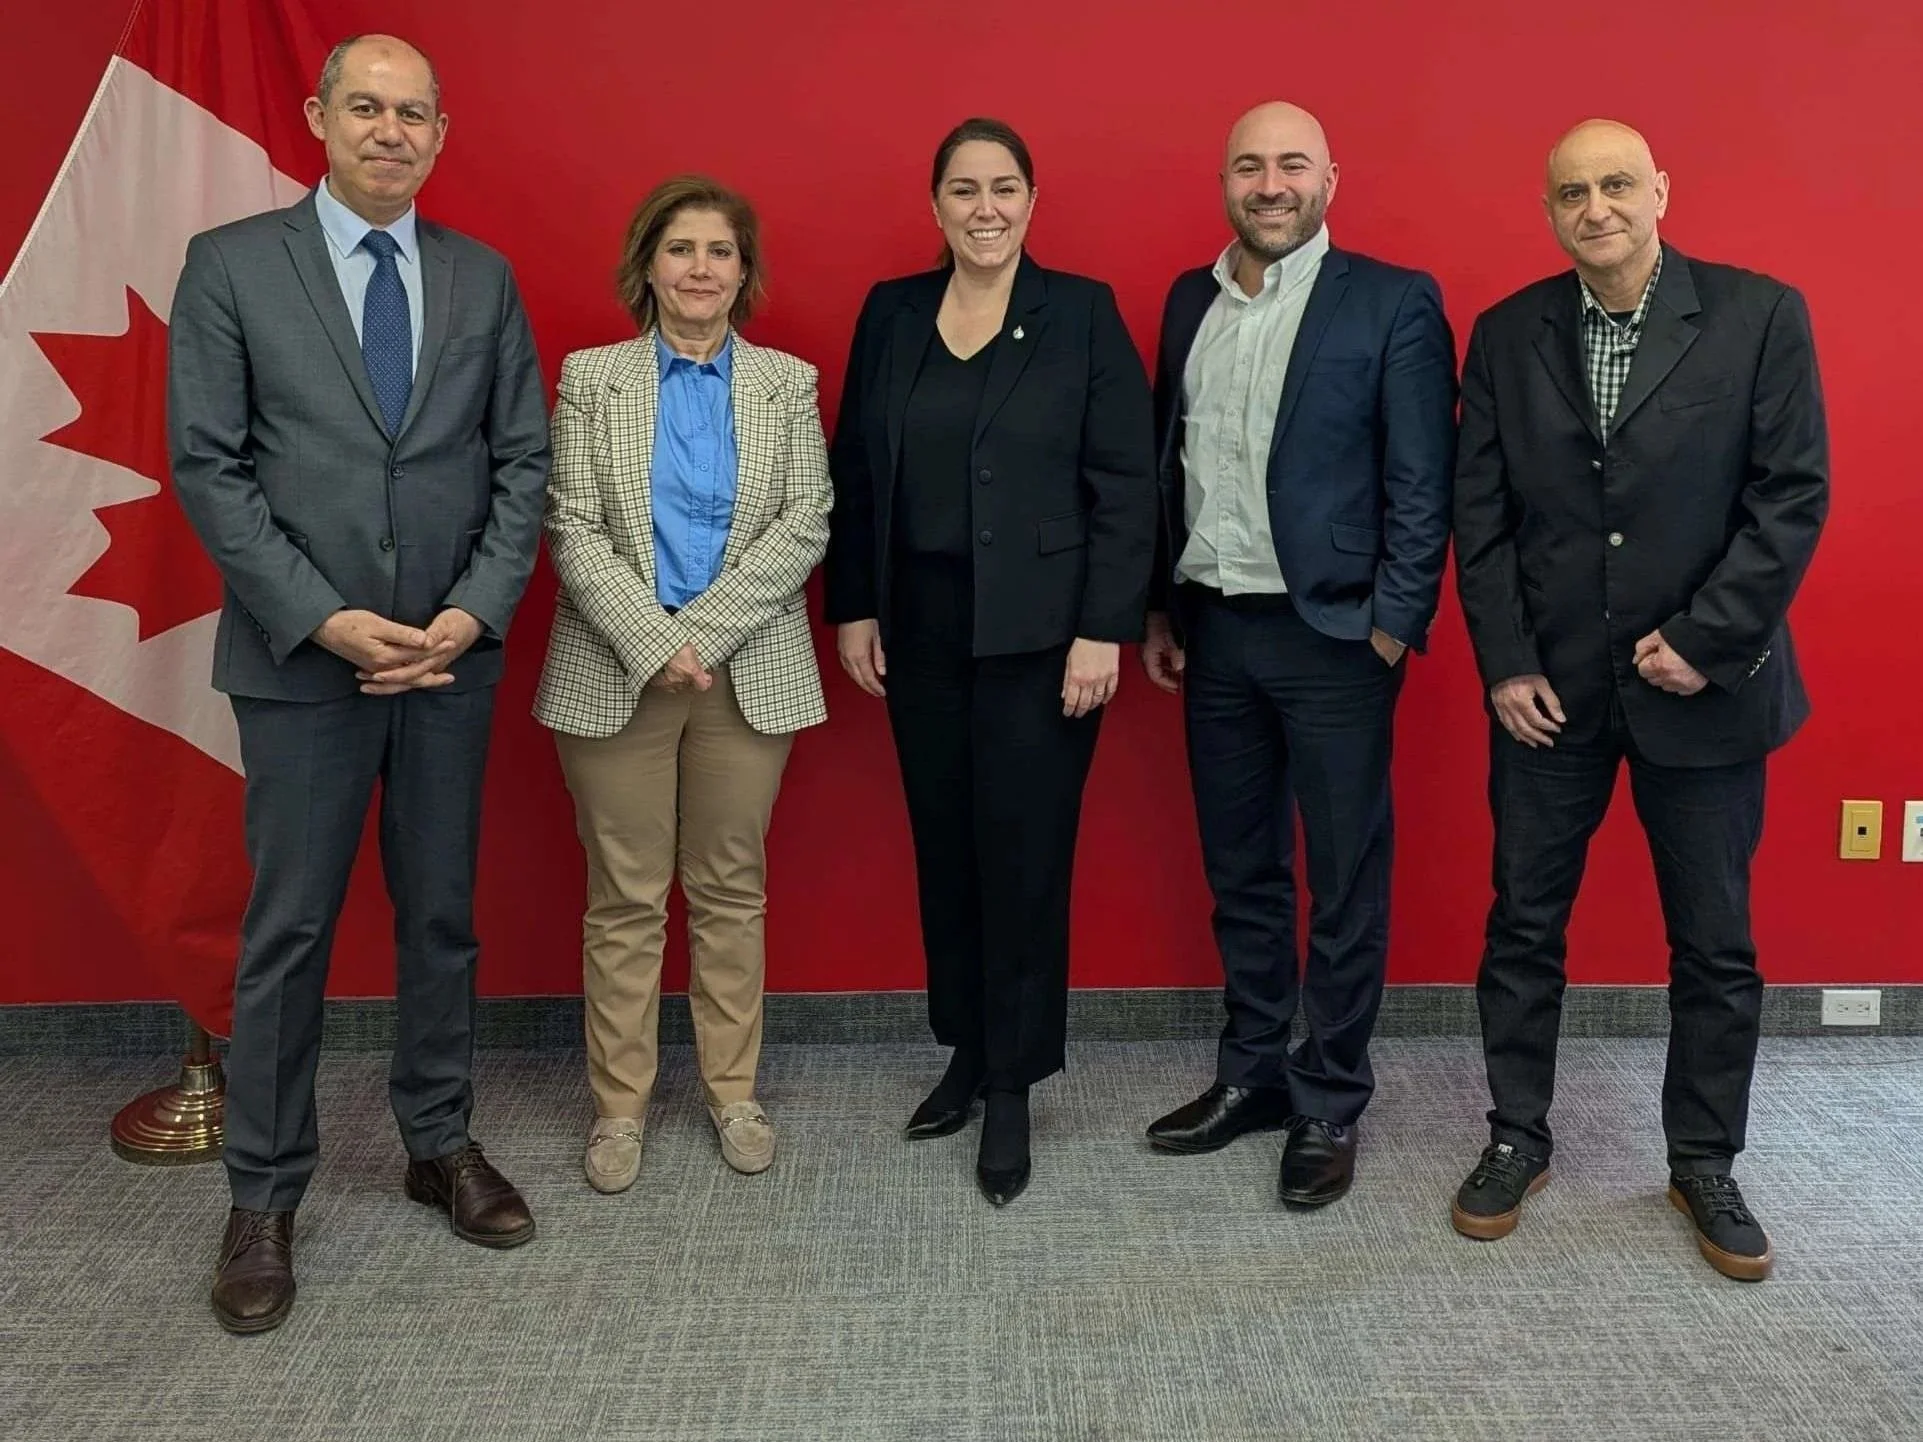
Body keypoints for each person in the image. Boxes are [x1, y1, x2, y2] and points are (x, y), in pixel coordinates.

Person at [168, 34, 550, 1333]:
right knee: (289, 931)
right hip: (302, 663)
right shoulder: (232, 266)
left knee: (440, 914)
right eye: (368, 107)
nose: (391, 131)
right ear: (319, 117)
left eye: (414, 113)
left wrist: (468, 612)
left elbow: (521, 463)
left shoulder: (482, 277)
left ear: (441, 135)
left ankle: (437, 1140)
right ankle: (264, 1193)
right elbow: (209, 466)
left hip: (447, 658)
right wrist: (326, 618)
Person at [1448, 120, 1828, 1280]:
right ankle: (1516, 1135)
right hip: (1550, 692)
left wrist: (1707, 640)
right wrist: (1506, 661)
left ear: (1661, 189)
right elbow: (1480, 514)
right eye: (1572, 192)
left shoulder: (1760, 315)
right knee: (1523, 925)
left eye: (1617, 184)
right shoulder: (1507, 333)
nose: (1596, 207)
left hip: (1706, 689)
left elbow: (1791, 496)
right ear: (1549, 210)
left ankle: (1703, 1159)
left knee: (1714, 942)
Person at [824, 118, 1157, 1207]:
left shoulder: (1082, 313)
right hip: (918, 633)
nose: (984, 208)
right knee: (947, 849)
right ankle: (965, 1050)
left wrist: (1104, 626)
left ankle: (1012, 1080)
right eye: (963, 189)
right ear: (934, 205)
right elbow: (856, 469)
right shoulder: (892, 312)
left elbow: (1127, 482)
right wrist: (854, 606)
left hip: (1043, 640)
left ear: (1031, 200)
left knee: (1023, 856)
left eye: (1003, 187)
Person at [1139, 102, 1457, 1209]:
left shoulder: (1391, 299)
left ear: (1330, 178)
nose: (1269, 184)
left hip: (1336, 637)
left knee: (1344, 877)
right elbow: (1167, 461)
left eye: (1290, 165)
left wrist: (1392, 622)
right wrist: (1160, 607)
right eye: (1248, 166)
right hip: (1215, 628)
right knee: (1242, 869)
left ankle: (1328, 1097)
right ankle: (1253, 1073)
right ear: (1224, 181)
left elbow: (1423, 476)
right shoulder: (1189, 300)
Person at [533, 177, 830, 1193]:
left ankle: (732, 1090)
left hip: (746, 673)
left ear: (743, 273)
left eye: (720, 251)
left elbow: (805, 520)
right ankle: (619, 1108)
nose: (700, 268)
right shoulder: (592, 377)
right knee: (624, 896)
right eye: (680, 248)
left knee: (730, 889)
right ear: (648, 266)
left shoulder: (786, 382)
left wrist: (697, 635)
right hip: (615, 669)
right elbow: (570, 523)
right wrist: (651, 639)